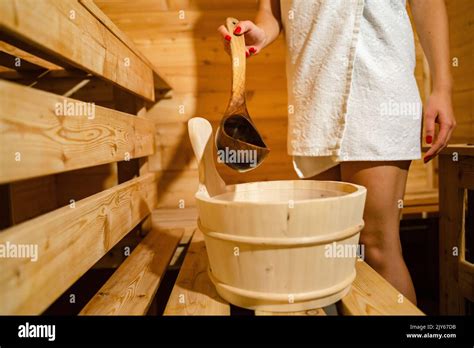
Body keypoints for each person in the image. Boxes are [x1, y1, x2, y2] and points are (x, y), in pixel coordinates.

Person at [218, 0, 456, 304]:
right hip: (314, 94)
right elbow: (272, 10)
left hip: (377, 84)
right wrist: (261, 33)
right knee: (331, 249)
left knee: (376, 245)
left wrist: (443, 88)